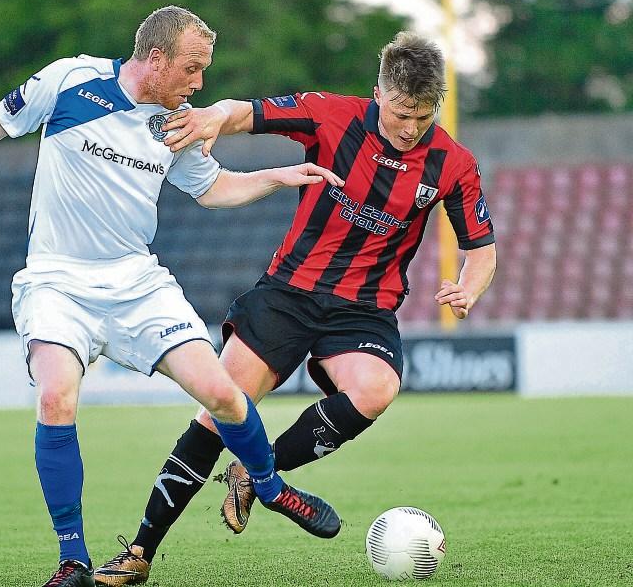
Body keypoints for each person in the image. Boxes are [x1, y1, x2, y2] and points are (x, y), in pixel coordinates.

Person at [0, 6, 345, 587]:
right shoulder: (71, 79)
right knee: (56, 400)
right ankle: (73, 559)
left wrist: (275, 176)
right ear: (156, 58)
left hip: (138, 284)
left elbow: (211, 188)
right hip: (57, 282)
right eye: (192, 69)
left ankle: (269, 487)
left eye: (204, 71)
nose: (199, 85)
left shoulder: (178, 121)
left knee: (224, 393)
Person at [94, 31, 497, 586]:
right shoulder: (330, 116)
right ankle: (139, 552)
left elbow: (480, 249)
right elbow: (247, 112)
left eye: (423, 117)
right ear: (379, 93)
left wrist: (470, 289)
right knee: (220, 410)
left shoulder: (453, 163)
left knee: (377, 389)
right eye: (402, 112)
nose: (410, 128)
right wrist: (209, 119)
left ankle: (257, 473)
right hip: (289, 293)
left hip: (364, 310)